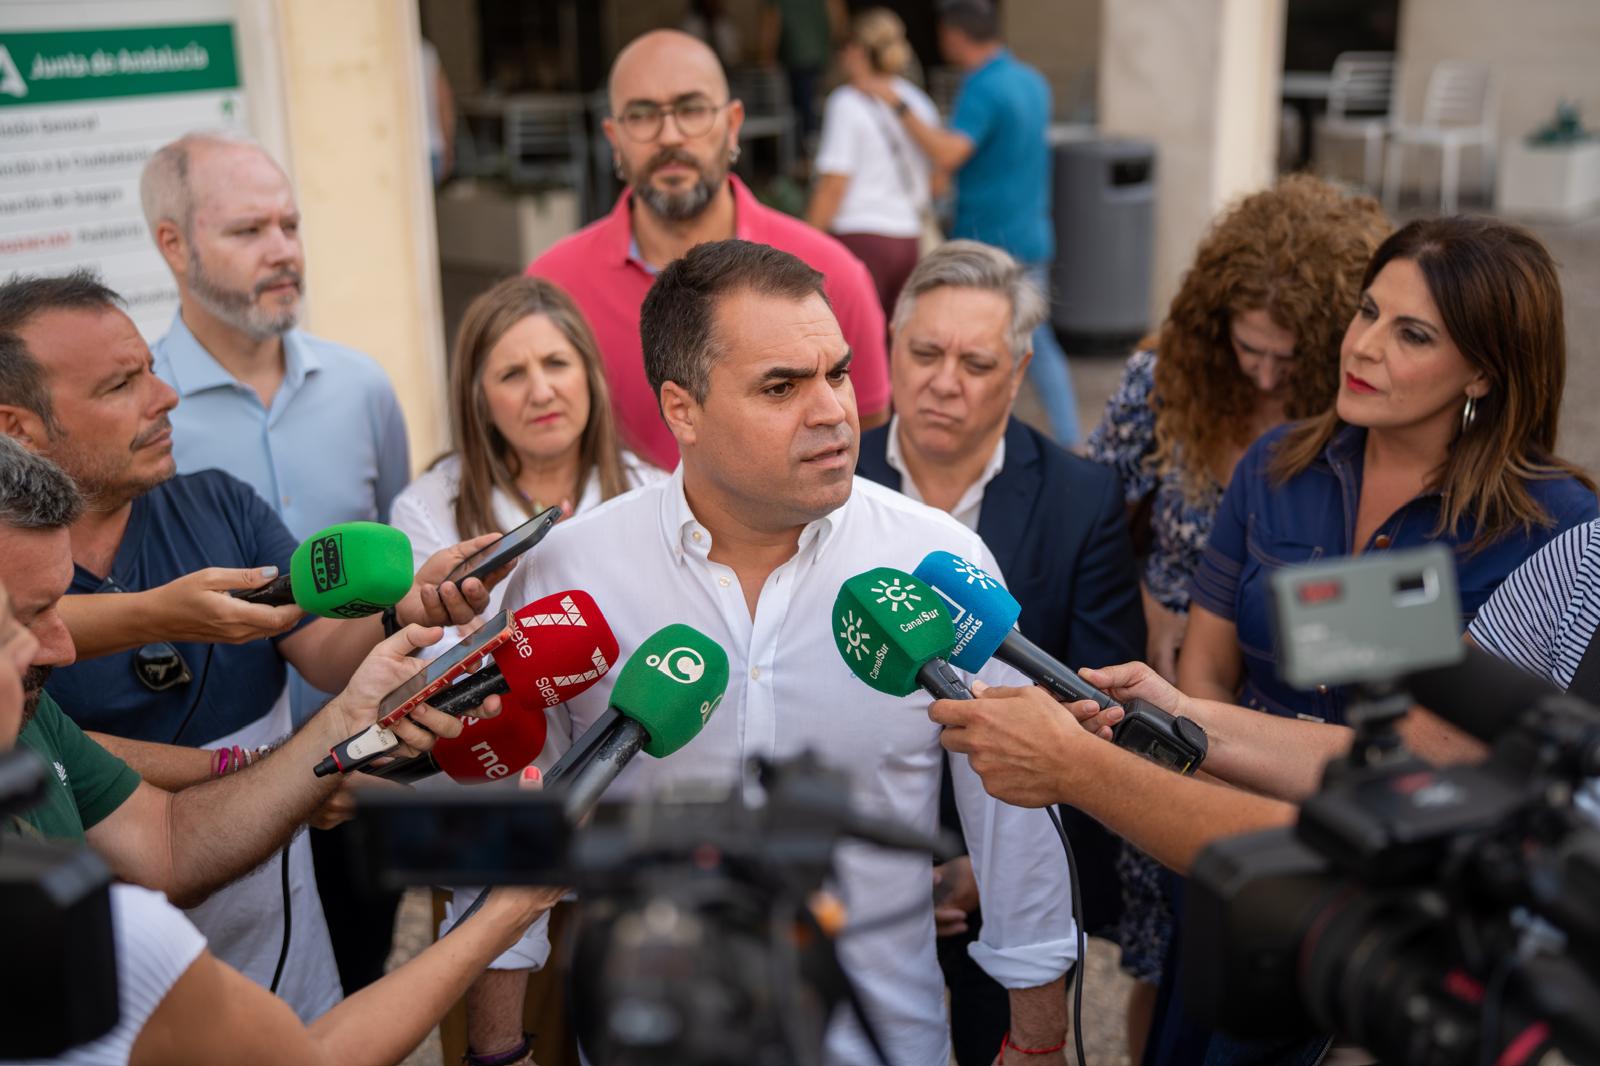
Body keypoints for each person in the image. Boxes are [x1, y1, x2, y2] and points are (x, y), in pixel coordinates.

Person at [496, 239, 1075, 1065]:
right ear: (682, 408)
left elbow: (1017, 824)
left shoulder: (935, 566)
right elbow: (518, 833)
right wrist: (495, 1050)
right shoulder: (569, 575)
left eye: (836, 374)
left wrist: (1040, 1038)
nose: (834, 411)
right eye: (782, 386)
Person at [0, 273, 495, 1021]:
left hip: (280, 943)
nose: (164, 398)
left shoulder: (219, 501)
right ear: (17, 429)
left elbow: (324, 649)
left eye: (152, 369)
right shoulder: (19, 600)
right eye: (120, 385)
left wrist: (409, 611)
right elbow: (64, 760)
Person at [1172, 216, 1598, 1065]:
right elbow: (1205, 672)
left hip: (1403, 907)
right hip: (1234, 855)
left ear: (1483, 368)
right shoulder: (1273, 467)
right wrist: (1219, 815)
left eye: (1411, 334)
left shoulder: (1557, 531)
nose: (1362, 348)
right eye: (1367, 312)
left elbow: (1446, 749)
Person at [0, 573, 564, 1066]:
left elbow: (169, 842)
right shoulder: (109, 929)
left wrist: (345, 717)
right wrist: (505, 912)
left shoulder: (34, 716)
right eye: (17, 626)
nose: (64, 647)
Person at [1080, 174, 1389, 1058]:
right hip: (1157, 695)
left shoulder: (1352, 419)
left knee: (1263, 962)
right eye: (1247, 348)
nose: (1261, 373)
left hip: (1277, 715)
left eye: (1286, 359)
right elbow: (1092, 510)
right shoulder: (1164, 379)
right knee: (1162, 951)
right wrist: (1148, 603)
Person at [854, 240, 1144, 1065]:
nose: (944, 380)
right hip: (859, 862)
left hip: (1013, 859)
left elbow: (1098, 704)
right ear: (892, 352)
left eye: (976, 362)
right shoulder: (830, 482)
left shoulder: (1080, 498)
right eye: (925, 353)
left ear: (1017, 375)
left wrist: (982, 868)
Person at [140, 129, 415, 996]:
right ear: (173, 244)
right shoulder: (139, 410)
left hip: (365, 771)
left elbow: (390, 557)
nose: (284, 250)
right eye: (249, 230)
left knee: (357, 993)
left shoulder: (363, 388)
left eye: (291, 225)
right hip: (213, 798)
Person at [388, 274, 662, 1066]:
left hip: (624, 854)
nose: (541, 390)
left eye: (557, 363)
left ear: (591, 375)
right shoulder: (431, 508)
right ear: (477, 396)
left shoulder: (651, 493)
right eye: (511, 373)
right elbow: (426, 688)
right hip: (489, 843)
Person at [527, 29, 891, 471]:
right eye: (642, 115)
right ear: (613, 139)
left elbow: (864, 442)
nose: (670, 136)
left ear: (733, 123)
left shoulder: (831, 275)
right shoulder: (553, 286)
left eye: (691, 109)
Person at [857, 0, 1077, 444]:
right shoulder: (1032, 80)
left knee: (996, 345)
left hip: (992, 238)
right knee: (1030, 341)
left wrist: (897, 106)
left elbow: (950, 153)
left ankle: (1005, 438)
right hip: (1031, 227)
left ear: (954, 36)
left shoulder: (982, 87)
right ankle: (1061, 434)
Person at [806, 8, 939, 318]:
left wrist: (806, 245)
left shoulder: (846, 102)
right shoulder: (917, 101)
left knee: (851, 342)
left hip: (859, 239)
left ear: (856, 51)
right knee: (895, 343)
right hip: (909, 239)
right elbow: (938, 178)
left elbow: (833, 185)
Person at [759, 0, 846, 145]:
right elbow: (838, 19)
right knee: (815, 105)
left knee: (801, 110)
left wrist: (767, 57)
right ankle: (814, 141)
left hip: (796, 57)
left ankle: (809, 145)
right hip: (821, 56)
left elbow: (771, 25)